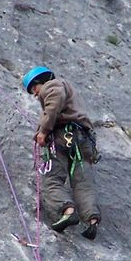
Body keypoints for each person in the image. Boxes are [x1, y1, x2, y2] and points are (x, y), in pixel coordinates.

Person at [22, 66, 101, 239]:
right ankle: (91, 219)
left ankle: (67, 211)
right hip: (84, 141)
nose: (35, 95)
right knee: (82, 182)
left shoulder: (53, 85)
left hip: (63, 137)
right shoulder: (72, 95)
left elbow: (54, 103)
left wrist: (43, 131)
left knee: (51, 179)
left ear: (39, 82)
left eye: (34, 89)